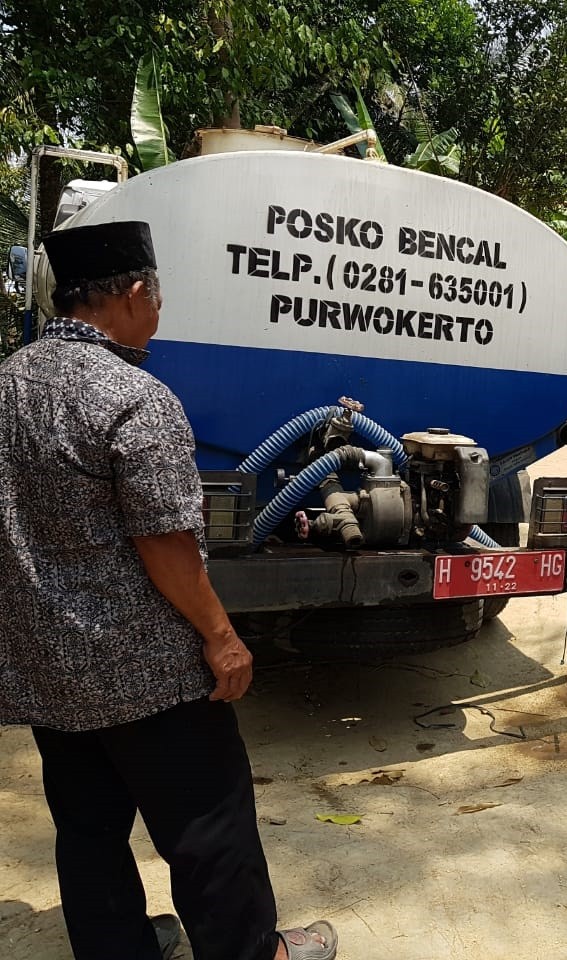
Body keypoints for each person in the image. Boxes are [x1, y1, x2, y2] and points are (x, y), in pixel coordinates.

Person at [0, 221, 337, 960]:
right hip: (146, 672)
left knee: (87, 828)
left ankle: (117, 946)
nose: (159, 312)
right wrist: (221, 636)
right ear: (134, 292)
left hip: (47, 667)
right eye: (158, 297)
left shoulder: (9, 383)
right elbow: (167, 545)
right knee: (209, 827)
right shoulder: (134, 395)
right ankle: (254, 952)